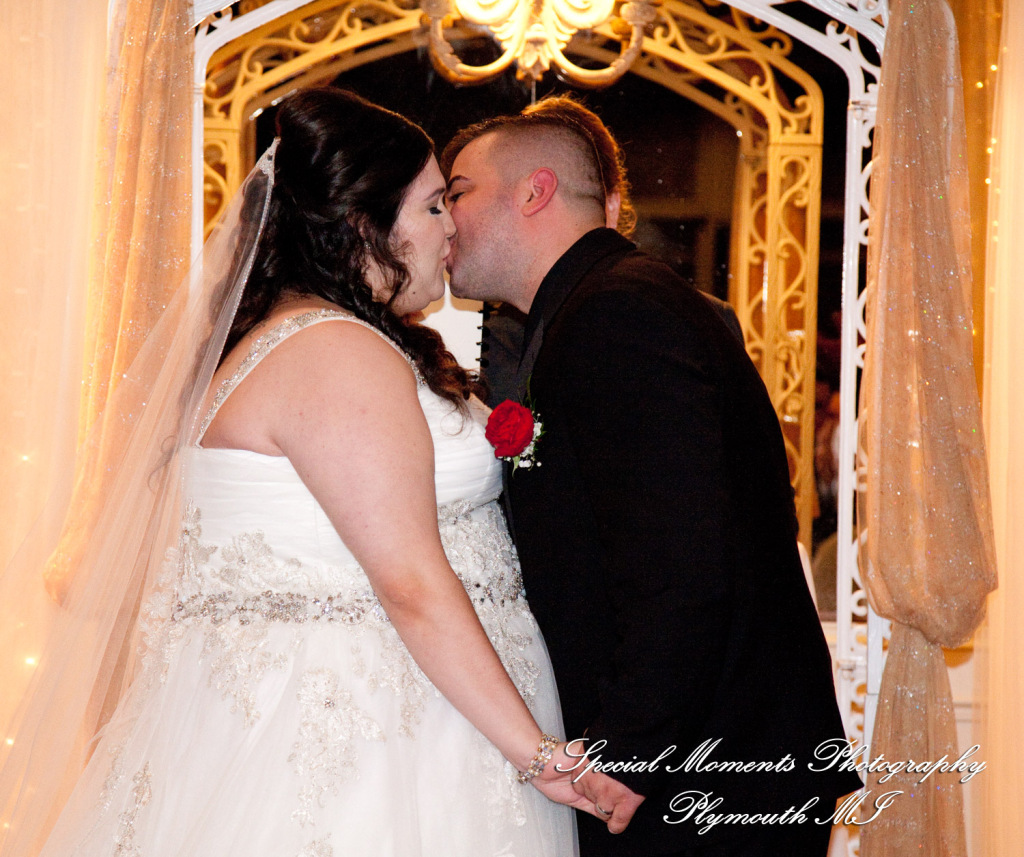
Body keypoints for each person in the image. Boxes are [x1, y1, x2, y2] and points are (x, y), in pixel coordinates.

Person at [0, 88, 620, 856]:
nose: (450, 226)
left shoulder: (308, 337)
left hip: (405, 715)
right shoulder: (334, 353)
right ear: (364, 226)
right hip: (366, 738)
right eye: (432, 206)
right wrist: (540, 756)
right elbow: (410, 581)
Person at [442, 100, 863, 856]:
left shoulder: (617, 314)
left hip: (704, 770)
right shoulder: (598, 306)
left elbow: (681, 553)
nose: (447, 219)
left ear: (533, 191)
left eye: (459, 191)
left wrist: (629, 746)